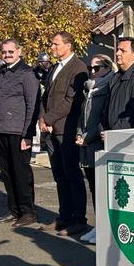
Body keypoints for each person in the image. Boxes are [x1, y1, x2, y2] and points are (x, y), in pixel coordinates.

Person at [39, 32, 90, 237]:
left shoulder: (78, 68)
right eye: (52, 44)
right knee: (59, 175)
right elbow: (46, 96)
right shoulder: (53, 68)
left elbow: (71, 101)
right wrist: (43, 119)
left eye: (56, 44)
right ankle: (64, 215)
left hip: (66, 129)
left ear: (68, 45)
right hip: (51, 129)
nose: (52, 47)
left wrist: (49, 118)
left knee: (72, 175)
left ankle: (79, 220)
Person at [0, 39, 41, 227]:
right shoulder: (0, 74)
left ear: (19, 51)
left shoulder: (27, 74)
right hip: (1, 129)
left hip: (18, 132)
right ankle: (13, 210)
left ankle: (28, 212)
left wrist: (27, 135)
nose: (7, 55)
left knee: (21, 174)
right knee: (7, 173)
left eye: (10, 52)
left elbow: (32, 105)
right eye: (4, 52)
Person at [75, 54, 115, 245]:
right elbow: (82, 116)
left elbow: (101, 117)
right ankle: (98, 225)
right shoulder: (88, 89)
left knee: (101, 189)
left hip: (97, 143)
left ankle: (105, 228)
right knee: (92, 186)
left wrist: (88, 136)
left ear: (107, 68)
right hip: (85, 143)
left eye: (96, 68)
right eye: (90, 69)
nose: (92, 72)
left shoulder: (108, 87)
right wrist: (78, 133)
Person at [102, 36, 134, 130]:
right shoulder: (115, 77)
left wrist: (113, 132)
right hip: (109, 136)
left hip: (127, 138)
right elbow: (105, 108)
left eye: (123, 50)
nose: (117, 53)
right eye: (118, 50)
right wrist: (102, 129)